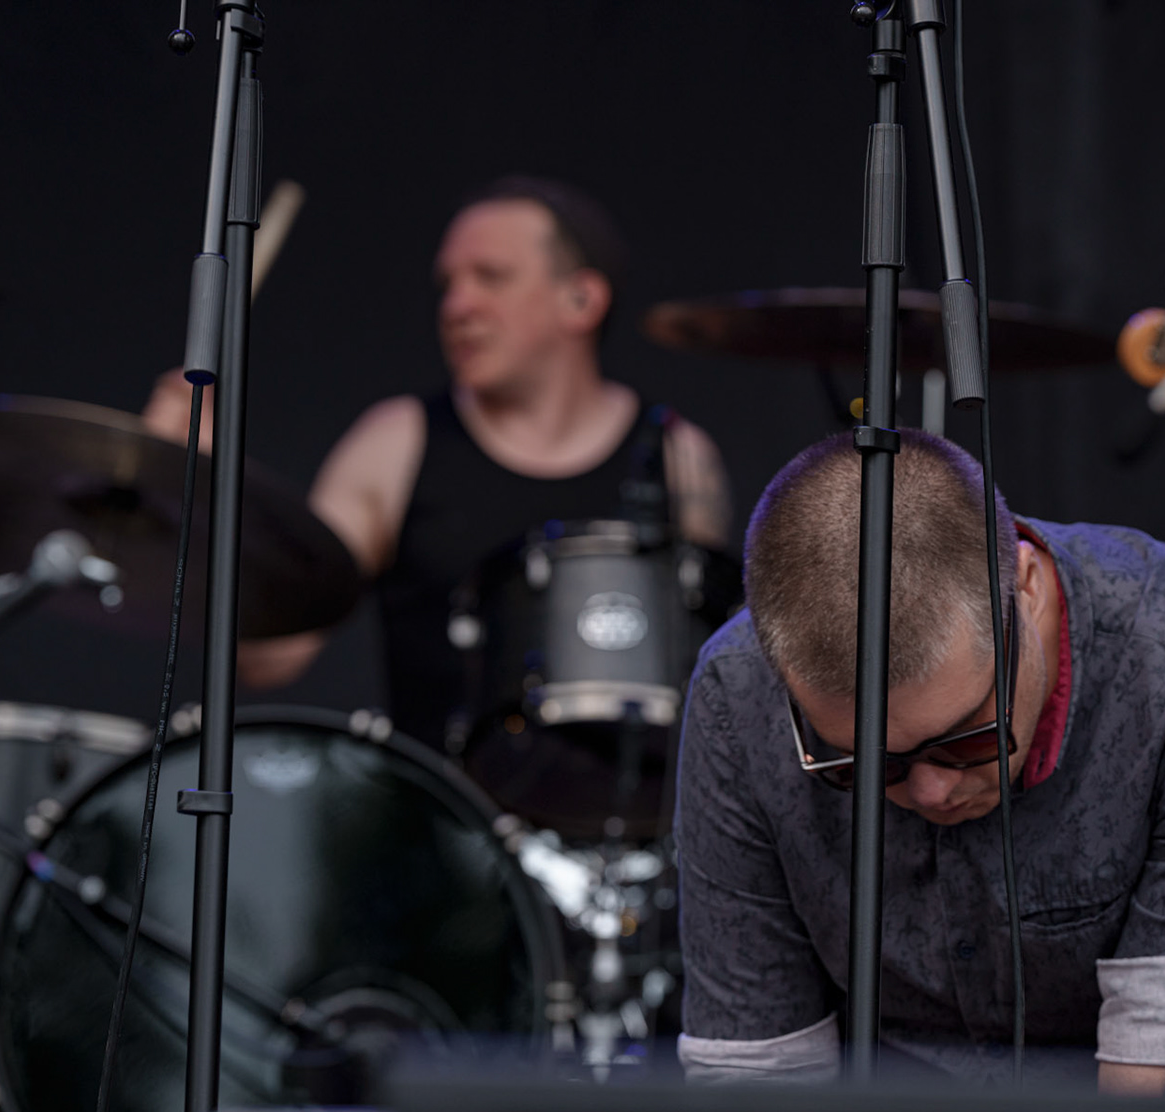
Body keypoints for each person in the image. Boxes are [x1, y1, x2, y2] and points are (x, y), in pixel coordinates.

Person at [672, 431, 1165, 1094]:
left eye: (966, 739)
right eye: (863, 768)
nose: (930, 788)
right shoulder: (737, 693)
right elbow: (755, 1095)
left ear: (1026, 590)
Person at [145, 176, 733, 751]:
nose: (457, 306)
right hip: (435, 835)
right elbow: (270, 658)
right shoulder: (394, 443)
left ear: (581, 299)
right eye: (448, 284)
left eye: (491, 278)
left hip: (632, 835)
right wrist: (201, 488)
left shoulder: (679, 458)